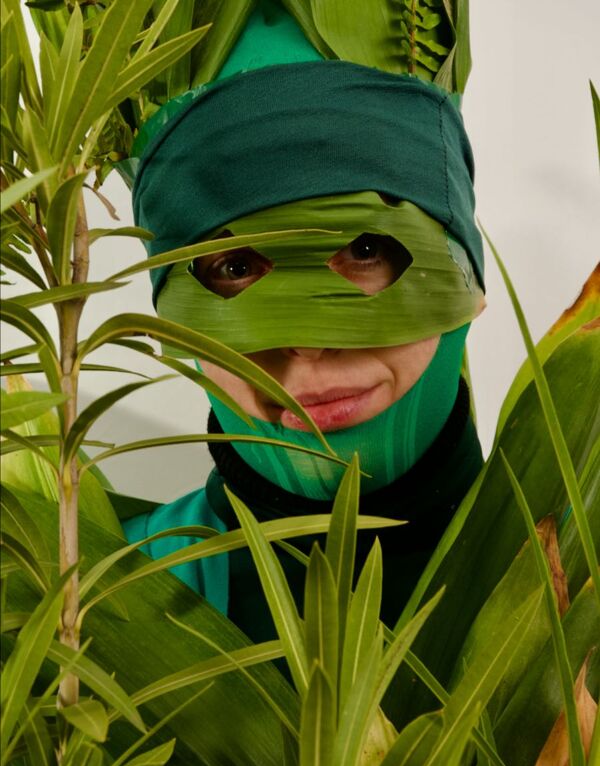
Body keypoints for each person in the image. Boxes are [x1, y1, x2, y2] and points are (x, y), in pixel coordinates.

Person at [120, 1, 486, 643]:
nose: (306, 342)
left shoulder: (584, 578)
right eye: (235, 268)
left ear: (466, 274)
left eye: (365, 250)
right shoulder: (86, 617)